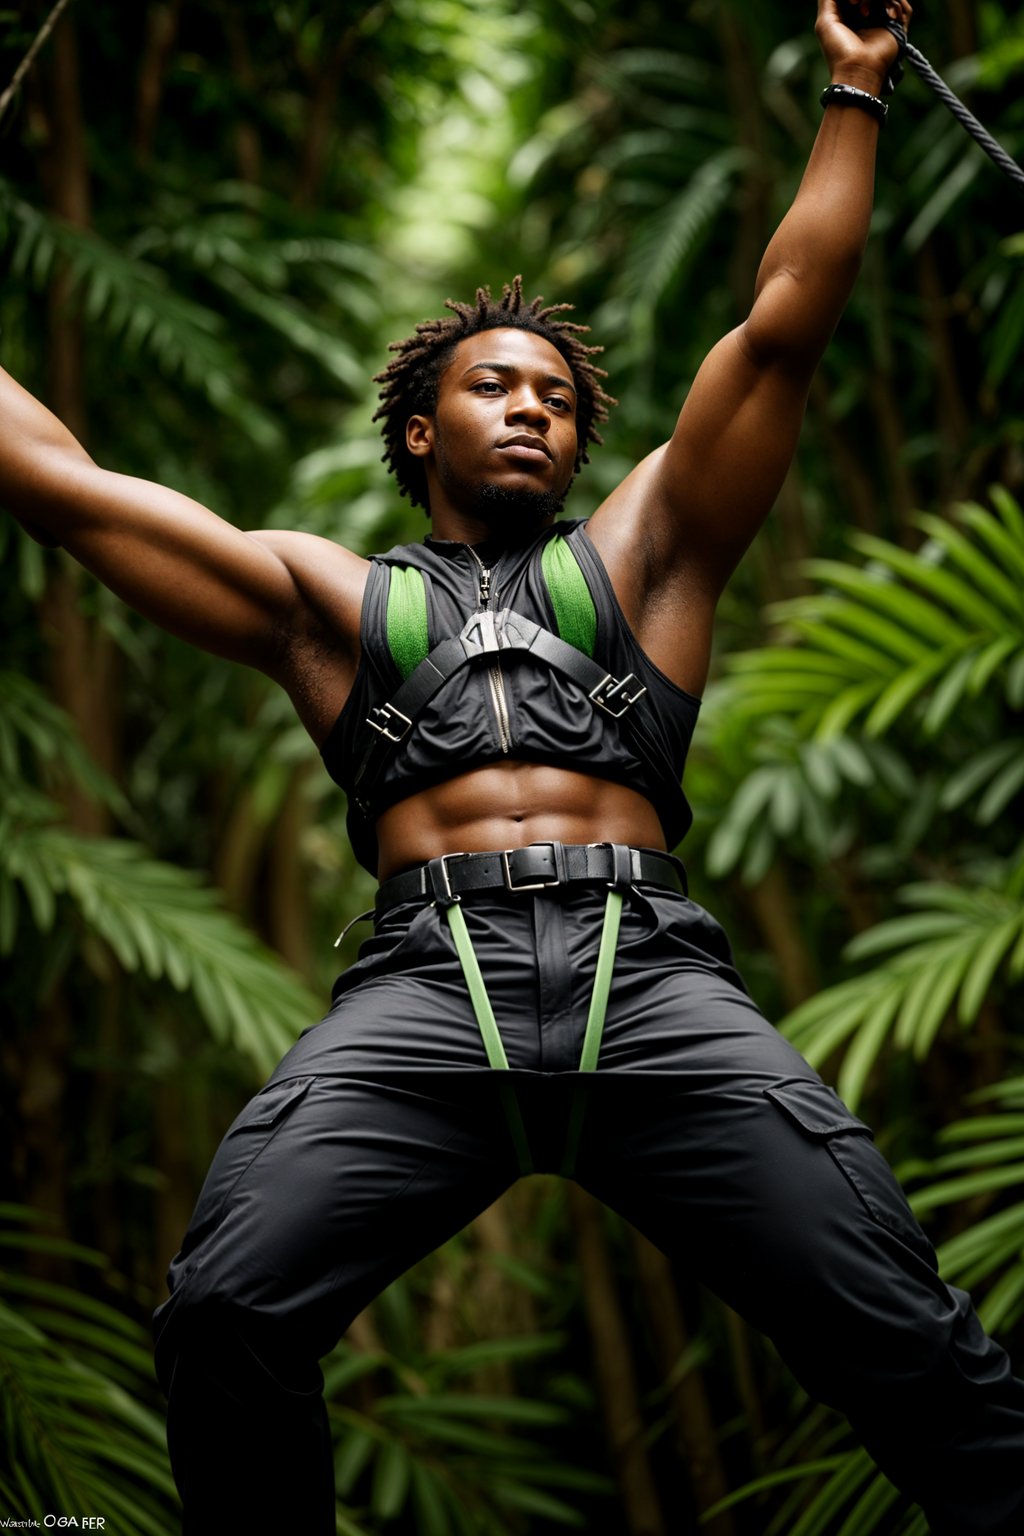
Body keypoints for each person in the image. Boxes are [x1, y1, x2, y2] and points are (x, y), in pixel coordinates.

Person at [4, 1, 1023, 1531]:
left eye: (554, 394)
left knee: (910, 1342)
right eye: (494, 386)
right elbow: (63, 488)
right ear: (420, 432)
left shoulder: (651, 556)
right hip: (427, 993)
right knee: (225, 1312)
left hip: (655, 983)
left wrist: (854, 87)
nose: (532, 405)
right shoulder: (326, 606)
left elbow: (788, 315)